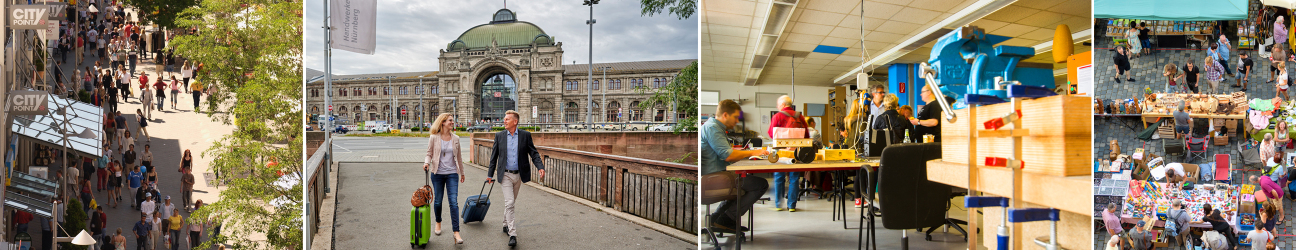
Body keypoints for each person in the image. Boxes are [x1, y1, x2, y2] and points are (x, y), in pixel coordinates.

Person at [701, 99, 769, 231]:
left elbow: (725, 152)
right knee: (760, 185)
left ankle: (717, 218)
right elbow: (728, 155)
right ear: (725, 115)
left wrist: (743, 153)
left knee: (741, 185)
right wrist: (754, 152)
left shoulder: (713, 127)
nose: (737, 121)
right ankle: (727, 219)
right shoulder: (713, 129)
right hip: (715, 179)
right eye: (736, 117)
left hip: (715, 176)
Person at [484, 110, 547, 247]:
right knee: (510, 201)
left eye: (507, 119)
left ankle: (505, 224)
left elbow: (534, 153)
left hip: (519, 175)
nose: (504, 121)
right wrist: (489, 174)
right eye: (504, 119)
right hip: (505, 174)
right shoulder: (499, 136)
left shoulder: (525, 135)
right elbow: (493, 157)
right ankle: (512, 234)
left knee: (510, 203)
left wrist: (540, 167)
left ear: (515, 122)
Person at [422, 113, 466, 244]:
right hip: (437, 173)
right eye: (450, 120)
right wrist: (426, 163)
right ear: (443, 122)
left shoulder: (456, 138)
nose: (453, 122)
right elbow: (429, 153)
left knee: (453, 202)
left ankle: (456, 233)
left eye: (453, 120)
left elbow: (459, 157)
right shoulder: (434, 137)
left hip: (452, 173)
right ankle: (438, 221)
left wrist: (462, 173)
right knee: (438, 201)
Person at [767, 95, 809, 212]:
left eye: (778, 104)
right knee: (794, 178)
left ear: (783, 105)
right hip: (795, 151)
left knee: (779, 177)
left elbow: (771, 134)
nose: (777, 106)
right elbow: (806, 136)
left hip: (780, 151)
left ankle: (778, 205)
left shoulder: (777, 116)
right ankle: (792, 205)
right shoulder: (799, 116)